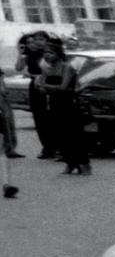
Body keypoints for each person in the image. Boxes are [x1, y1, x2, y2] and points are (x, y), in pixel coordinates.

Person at [37, 39, 91, 176]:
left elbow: (63, 87)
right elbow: (43, 87)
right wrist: (41, 87)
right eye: (45, 53)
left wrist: (45, 86)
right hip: (54, 105)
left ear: (58, 53)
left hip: (68, 105)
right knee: (60, 136)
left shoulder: (67, 67)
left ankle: (84, 164)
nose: (47, 55)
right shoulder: (46, 69)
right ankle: (70, 163)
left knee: (74, 135)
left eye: (50, 52)